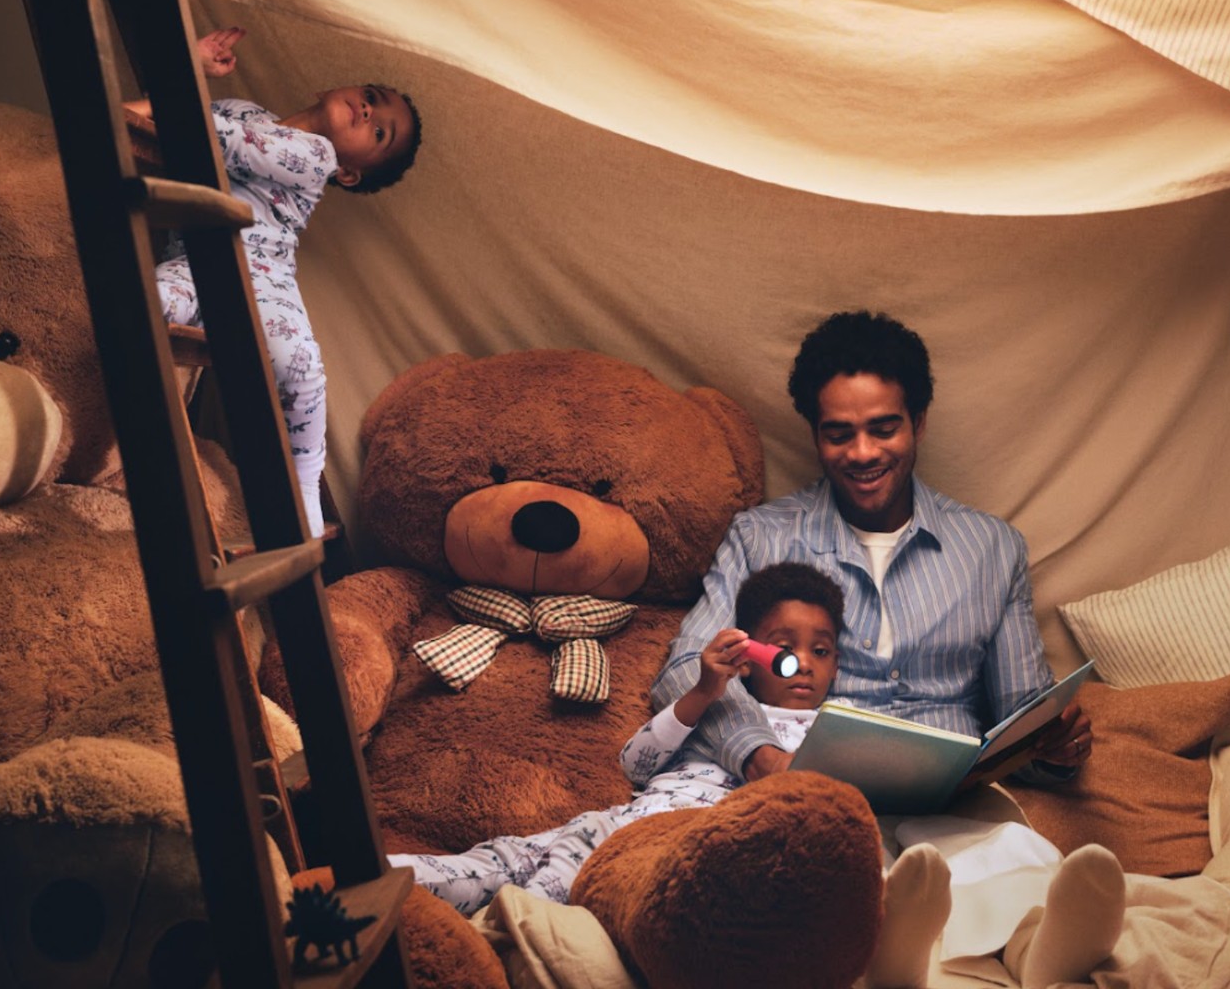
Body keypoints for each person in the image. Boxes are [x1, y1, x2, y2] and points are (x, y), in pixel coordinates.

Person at [652, 309, 1092, 785]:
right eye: (839, 434)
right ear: (815, 435)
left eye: (883, 429)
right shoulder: (759, 537)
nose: (862, 453)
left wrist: (1055, 752)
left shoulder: (993, 549)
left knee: (1021, 859)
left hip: (951, 804)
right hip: (808, 791)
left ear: (918, 423)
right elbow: (684, 669)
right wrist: (759, 755)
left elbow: (1024, 717)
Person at [390, 562, 843, 915]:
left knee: (547, 891)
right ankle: (361, 889)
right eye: (784, 648)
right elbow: (635, 765)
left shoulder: (833, 733)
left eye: (820, 651)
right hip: (614, 824)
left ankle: (509, 935)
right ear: (748, 658)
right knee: (499, 861)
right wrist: (704, 691)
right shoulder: (721, 704)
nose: (803, 663)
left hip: (666, 851)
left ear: (837, 664)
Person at [130, 26, 424, 536]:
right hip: (194, 261)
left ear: (349, 174)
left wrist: (184, 70)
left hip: (262, 274)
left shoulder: (316, 156)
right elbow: (135, 123)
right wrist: (189, 71)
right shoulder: (242, 108)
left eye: (380, 133)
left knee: (300, 364)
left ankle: (305, 480)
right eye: (372, 99)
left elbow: (207, 139)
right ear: (325, 89)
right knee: (146, 302)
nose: (370, 112)